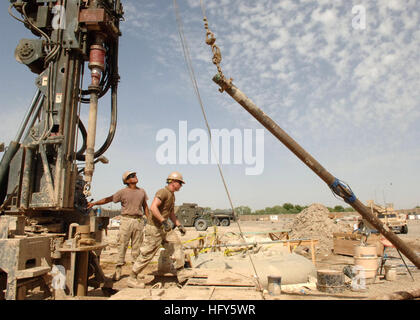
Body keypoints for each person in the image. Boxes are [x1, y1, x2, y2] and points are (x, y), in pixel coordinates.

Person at [128, 171, 188, 288]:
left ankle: (181, 274)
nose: (181, 186)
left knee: (177, 245)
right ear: (173, 182)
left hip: (164, 228)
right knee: (147, 254)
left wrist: (179, 225)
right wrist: (163, 221)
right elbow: (153, 207)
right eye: (180, 183)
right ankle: (132, 277)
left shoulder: (172, 195)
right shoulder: (163, 192)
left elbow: (171, 213)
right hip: (154, 228)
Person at [87, 171, 149, 281]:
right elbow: (109, 199)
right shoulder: (122, 192)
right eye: (132, 176)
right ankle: (118, 270)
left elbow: (145, 207)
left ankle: (136, 271)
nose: (135, 177)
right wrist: (94, 203)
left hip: (138, 221)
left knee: (137, 248)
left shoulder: (142, 192)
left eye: (135, 175)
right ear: (127, 180)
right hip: (126, 220)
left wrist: (149, 221)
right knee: (122, 246)